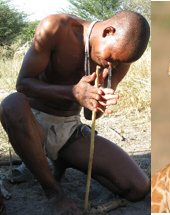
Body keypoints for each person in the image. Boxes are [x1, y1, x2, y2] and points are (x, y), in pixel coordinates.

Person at [0, 10, 150, 214]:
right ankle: (54, 191)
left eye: (118, 63)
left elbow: (90, 117)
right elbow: (23, 84)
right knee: (11, 104)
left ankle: (60, 159)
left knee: (137, 188)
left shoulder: (119, 61)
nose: (111, 65)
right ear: (108, 32)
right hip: (30, 121)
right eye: (111, 57)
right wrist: (73, 93)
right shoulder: (57, 28)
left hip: (69, 129)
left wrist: (98, 104)